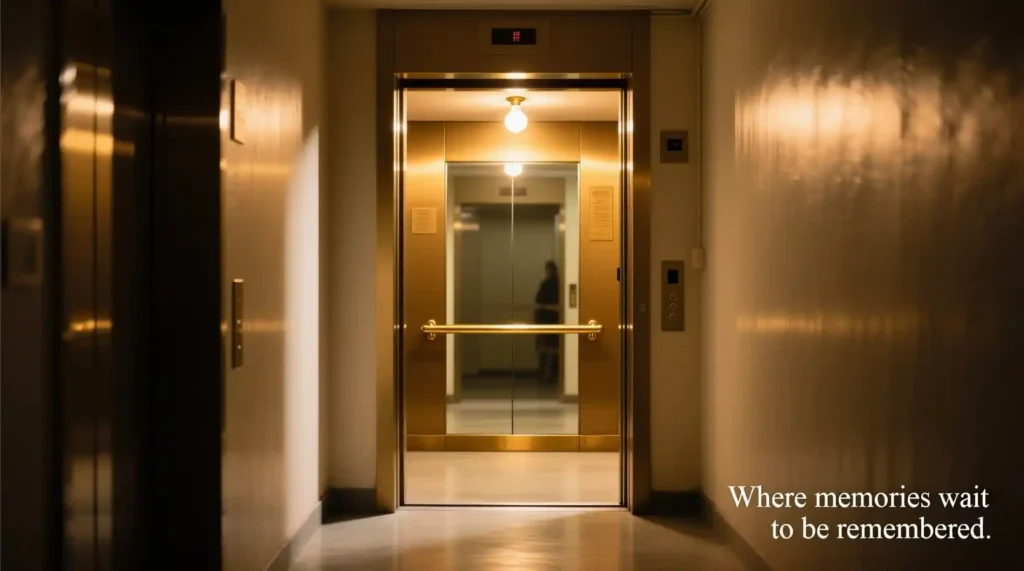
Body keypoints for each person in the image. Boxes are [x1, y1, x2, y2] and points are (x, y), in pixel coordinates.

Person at [534, 260, 561, 384]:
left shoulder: (548, 283)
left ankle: (547, 373)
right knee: (552, 348)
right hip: (554, 318)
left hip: (546, 319)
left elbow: (539, 301)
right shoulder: (558, 283)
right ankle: (550, 373)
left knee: (547, 348)